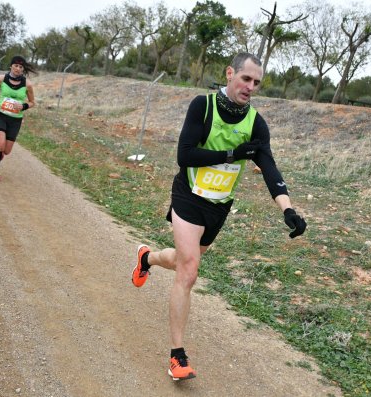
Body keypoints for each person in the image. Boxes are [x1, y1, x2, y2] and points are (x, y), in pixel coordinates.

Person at [131, 52, 307, 381]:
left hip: (218, 205)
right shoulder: (204, 106)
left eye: (257, 82)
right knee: (189, 270)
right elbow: (185, 155)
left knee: (185, 260)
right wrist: (230, 153)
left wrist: (288, 208)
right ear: (230, 74)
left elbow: (269, 166)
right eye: (246, 79)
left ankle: (148, 258)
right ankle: (177, 355)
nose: (251, 87)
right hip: (188, 195)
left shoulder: (255, 123)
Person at [0, 55, 36, 182]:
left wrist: (23, 106)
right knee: (0, 144)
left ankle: (0, 153)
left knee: (7, 151)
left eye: (21, 67)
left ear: (23, 69)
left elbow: (32, 102)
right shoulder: (1, 79)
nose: (18, 69)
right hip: (0, 115)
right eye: (16, 66)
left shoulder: (28, 85)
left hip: (15, 120)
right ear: (11, 66)